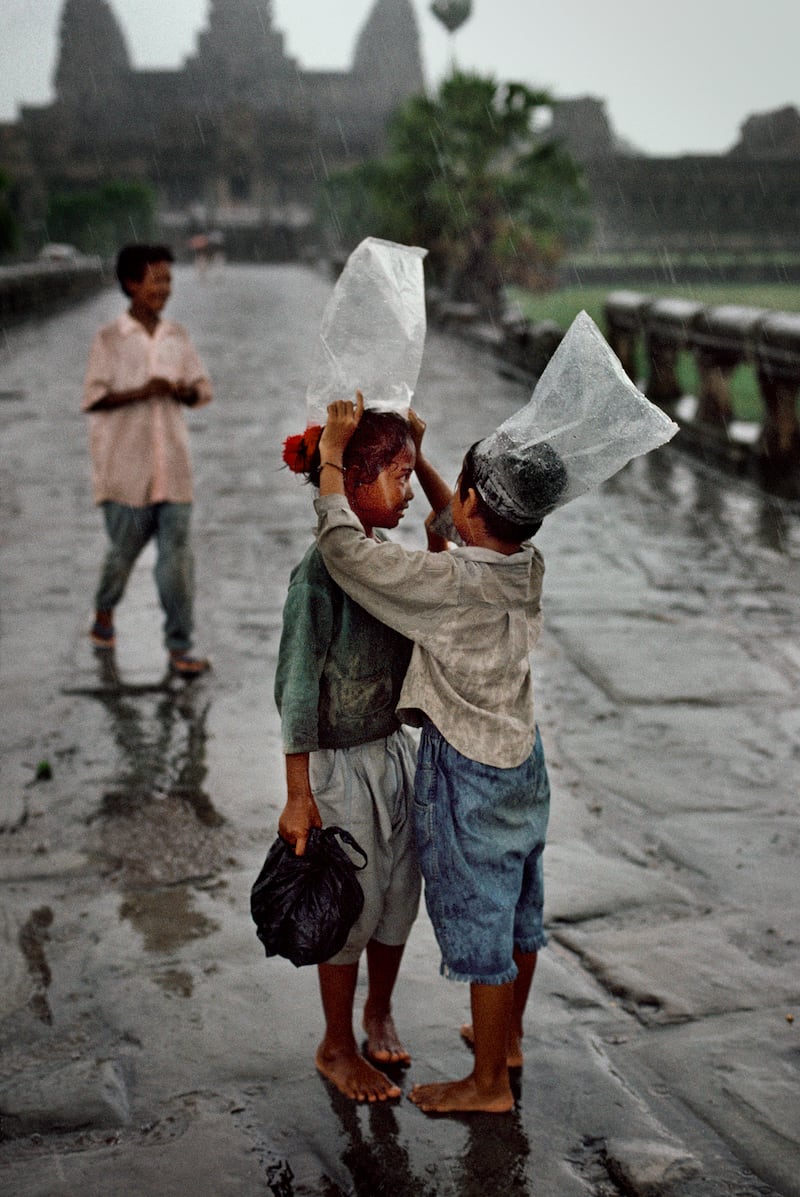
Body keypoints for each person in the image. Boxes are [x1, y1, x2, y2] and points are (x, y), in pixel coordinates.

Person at [313, 393, 565, 1115]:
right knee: (520, 906)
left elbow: (345, 551)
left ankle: (488, 1084)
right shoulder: (526, 564)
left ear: (473, 503)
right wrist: (423, 457)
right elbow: (467, 519)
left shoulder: (450, 583)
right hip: (522, 759)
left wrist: (333, 455)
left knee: (483, 922)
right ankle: (506, 1039)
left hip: (470, 773)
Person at [275, 408, 442, 1104]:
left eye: (408, 478)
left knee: (399, 896)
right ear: (356, 479)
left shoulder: (385, 561)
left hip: (391, 753)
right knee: (349, 906)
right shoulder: (320, 574)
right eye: (399, 478)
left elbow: (443, 567)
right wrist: (298, 792)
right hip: (338, 768)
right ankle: (336, 1041)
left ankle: (379, 1008)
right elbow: (295, 690)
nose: (406, 492)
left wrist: (421, 451)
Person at [82, 243, 212, 675]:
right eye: (156, 279)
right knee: (122, 554)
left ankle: (180, 647)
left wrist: (176, 390)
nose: (165, 288)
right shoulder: (109, 339)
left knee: (176, 560)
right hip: (125, 470)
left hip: (173, 470)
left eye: (169, 280)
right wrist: (143, 390)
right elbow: (95, 397)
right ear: (131, 283)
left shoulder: (177, 336)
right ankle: (104, 613)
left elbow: (199, 391)